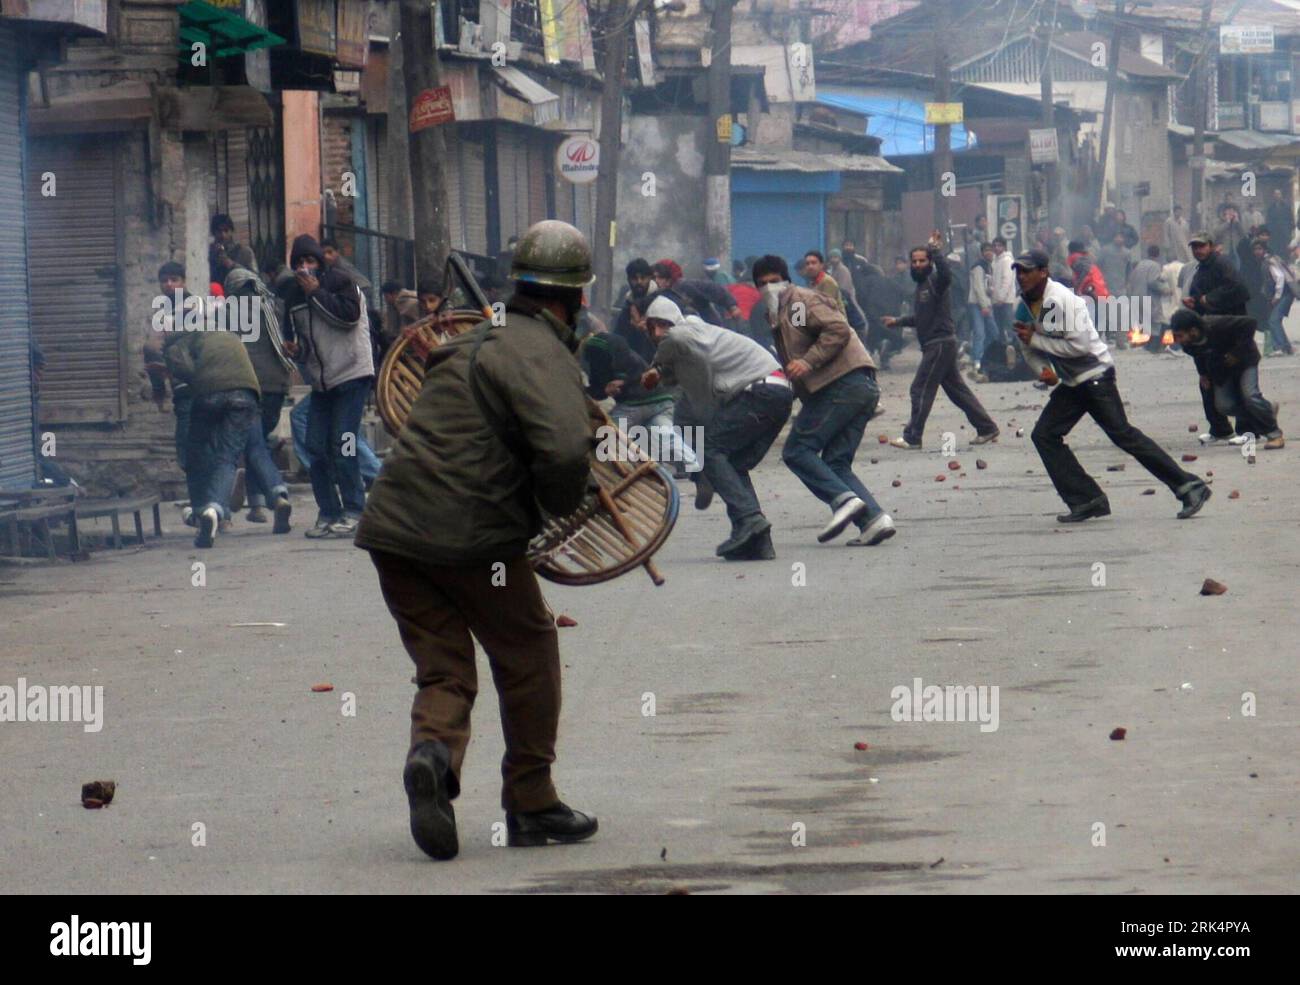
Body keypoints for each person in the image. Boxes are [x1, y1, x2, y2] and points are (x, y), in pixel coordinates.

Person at [355, 220, 598, 860]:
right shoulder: (542, 352)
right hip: (473, 541)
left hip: (392, 529)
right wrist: (559, 512)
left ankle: (432, 755)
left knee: (443, 667)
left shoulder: (468, 338)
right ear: (572, 298)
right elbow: (567, 449)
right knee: (527, 652)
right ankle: (532, 801)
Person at [1009, 249, 1212, 523]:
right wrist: (1044, 371)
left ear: (1043, 272)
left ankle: (1189, 486)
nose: (1021, 276)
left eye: (1027, 270)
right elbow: (1026, 346)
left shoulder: (1061, 301)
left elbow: (1078, 346)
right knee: (1044, 435)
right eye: (1018, 271)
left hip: (1095, 376)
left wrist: (1037, 340)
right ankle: (1087, 498)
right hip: (1073, 381)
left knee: (1123, 435)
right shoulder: (1023, 305)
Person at [753, 255, 896, 547]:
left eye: (774, 281)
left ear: (787, 280)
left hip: (842, 384)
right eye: (762, 283)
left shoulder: (796, 304)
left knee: (797, 450)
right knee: (836, 462)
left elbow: (837, 329)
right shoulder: (782, 313)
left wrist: (807, 362)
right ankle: (873, 519)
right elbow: (803, 343)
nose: (769, 287)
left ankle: (842, 500)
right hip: (859, 387)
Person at [641, 295, 793, 560]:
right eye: (651, 327)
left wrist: (656, 363)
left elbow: (674, 341)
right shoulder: (698, 341)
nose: (657, 333)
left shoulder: (682, 335)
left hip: (760, 391)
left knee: (711, 449)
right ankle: (757, 541)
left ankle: (749, 518)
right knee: (732, 463)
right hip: (778, 393)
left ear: (674, 322)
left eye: (662, 325)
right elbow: (688, 408)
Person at [162, 296, 287, 548]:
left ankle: (208, 510)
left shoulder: (182, 339)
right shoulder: (227, 335)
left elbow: (186, 370)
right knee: (239, 453)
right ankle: (276, 495)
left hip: (209, 395)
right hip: (248, 395)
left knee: (198, 453)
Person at [281, 234, 374, 538]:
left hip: (352, 373)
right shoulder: (294, 296)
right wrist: (298, 352)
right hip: (322, 382)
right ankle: (329, 512)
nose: (305, 268)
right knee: (315, 445)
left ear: (320, 263)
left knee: (343, 442)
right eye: (299, 263)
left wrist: (317, 293)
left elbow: (347, 319)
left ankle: (354, 510)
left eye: (310, 261)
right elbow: (309, 345)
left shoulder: (340, 282)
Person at [883, 232, 1000, 450]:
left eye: (922, 260)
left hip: (940, 343)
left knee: (920, 388)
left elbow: (946, 273)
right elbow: (921, 318)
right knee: (958, 391)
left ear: (929, 262)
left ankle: (912, 437)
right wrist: (897, 321)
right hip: (938, 344)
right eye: (915, 261)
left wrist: (936, 251)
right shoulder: (921, 287)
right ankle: (986, 428)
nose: (918, 264)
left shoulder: (936, 281)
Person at [224, 265, 295, 533]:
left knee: (250, 446)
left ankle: (269, 498)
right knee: (259, 443)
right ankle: (257, 506)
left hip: (246, 386)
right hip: (276, 386)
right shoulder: (275, 307)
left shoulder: (228, 312)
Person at [580, 316, 696, 471]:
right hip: (662, 399)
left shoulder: (595, 347)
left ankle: (612, 474)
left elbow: (606, 384)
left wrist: (616, 386)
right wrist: (604, 390)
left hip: (634, 404)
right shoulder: (612, 348)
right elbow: (603, 387)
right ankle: (694, 465)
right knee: (666, 435)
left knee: (607, 436)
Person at [1169, 309, 1284, 451]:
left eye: (1180, 335)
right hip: (1223, 368)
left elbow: (1250, 323)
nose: (1177, 340)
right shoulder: (1188, 345)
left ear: (1193, 330)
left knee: (1250, 396)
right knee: (1225, 405)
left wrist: (1236, 353)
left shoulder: (1216, 325)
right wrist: (1203, 374)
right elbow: (1198, 356)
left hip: (1245, 361)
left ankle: (1275, 435)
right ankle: (1267, 410)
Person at [1182, 231, 1253, 445]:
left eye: (1201, 246)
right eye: (1194, 247)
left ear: (1210, 246)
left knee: (1237, 381)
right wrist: (1195, 302)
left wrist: (1208, 299)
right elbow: (1200, 297)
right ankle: (1220, 428)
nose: (1198, 250)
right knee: (1207, 380)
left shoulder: (1223, 264)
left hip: (1231, 332)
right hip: (1211, 333)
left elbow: (1239, 290)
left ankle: (1248, 430)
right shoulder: (1200, 270)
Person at [650, 259, 740, 326]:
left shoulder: (685, 286)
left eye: (660, 277)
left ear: (668, 277)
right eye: (655, 277)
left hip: (708, 325)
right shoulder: (662, 293)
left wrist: (732, 307)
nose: (657, 281)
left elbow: (714, 289)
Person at [613, 258, 657, 363]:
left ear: (650, 278)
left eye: (643, 278)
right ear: (628, 279)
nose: (639, 282)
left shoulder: (659, 300)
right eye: (634, 278)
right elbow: (619, 335)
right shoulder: (628, 304)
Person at [1257, 239, 1296, 357]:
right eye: (1255, 249)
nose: (1256, 251)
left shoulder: (1269, 261)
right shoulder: (1269, 259)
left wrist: (1277, 296)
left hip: (1285, 293)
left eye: (1259, 249)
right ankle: (1287, 347)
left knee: (1273, 320)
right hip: (1285, 293)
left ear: (1264, 249)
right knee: (1275, 320)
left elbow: (1279, 278)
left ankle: (1280, 347)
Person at [966, 242, 996, 377]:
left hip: (987, 303)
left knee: (993, 332)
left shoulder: (989, 267)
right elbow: (978, 288)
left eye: (990, 250)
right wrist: (984, 306)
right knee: (980, 333)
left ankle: (979, 354)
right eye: (986, 250)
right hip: (978, 304)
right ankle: (977, 359)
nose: (989, 252)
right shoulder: (978, 267)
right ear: (982, 253)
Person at [209, 214, 256, 287]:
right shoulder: (207, 253)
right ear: (214, 232)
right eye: (219, 231)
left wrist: (231, 264)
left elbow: (254, 279)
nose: (223, 235)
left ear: (231, 231)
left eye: (226, 230)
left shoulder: (244, 252)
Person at [989, 237, 1017, 345]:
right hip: (996, 300)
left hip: (1006, 300)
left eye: (999, 245)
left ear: (1004, 247)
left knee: (1009, 326)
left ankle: (1016, 348)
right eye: (995, 246)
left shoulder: (1007, 260)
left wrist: (1001, 297)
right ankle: (1005, 351)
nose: (996, 248)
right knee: (999, 326)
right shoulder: (995, 261)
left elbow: (1007, 280)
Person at [380, 280, 422, 346]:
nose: (385, 300)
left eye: (386, 296)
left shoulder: (401, 302)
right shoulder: (410, 295)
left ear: (394, 293)